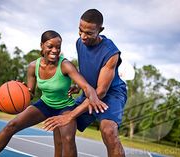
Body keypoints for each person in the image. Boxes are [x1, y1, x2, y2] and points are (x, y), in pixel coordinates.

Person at [0, 30, 107, 157]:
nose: (55, 50)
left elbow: (86, 87)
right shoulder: (33, 66)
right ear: (42, 45)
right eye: (50, 46)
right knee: (11, 125)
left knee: (67, 140)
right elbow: (30, 94)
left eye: (58, 47)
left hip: (65, 108)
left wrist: (94, 97)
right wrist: (21, 90)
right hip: (45, 104)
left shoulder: (65, 65)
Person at [43, 9, 127, 157]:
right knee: (61, 124)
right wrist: (79, 85)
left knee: (108, 131)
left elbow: (100, 92)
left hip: (111, 94)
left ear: (100, 30)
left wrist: (71, 115)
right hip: (89, 92)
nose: (83, 36)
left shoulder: (111, 53)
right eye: (80, 31)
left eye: (88, 33)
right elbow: (88, 66)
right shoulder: (80, 43)